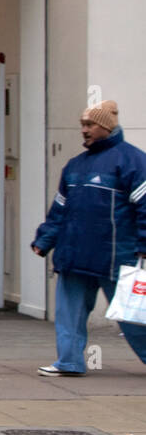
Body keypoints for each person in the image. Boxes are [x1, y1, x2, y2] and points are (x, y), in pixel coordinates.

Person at [31, 100, 146, 375]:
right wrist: (45, 239)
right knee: (68, 315)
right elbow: (60, 209)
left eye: (90, 124)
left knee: (133, 317)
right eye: (82, 124)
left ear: (107, 126)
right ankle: (69, 362)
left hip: (116, 255)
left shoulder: (133, 161)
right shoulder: (75, 166)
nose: (84, 130)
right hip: (74, 255)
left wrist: (143, 246)